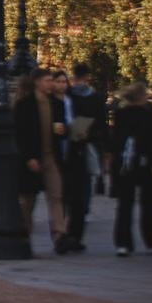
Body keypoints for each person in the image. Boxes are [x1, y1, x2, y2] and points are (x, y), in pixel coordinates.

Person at [15, 68, 68, 251]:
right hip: (32, 158)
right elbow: (20, 134)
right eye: (47, 80)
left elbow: (60, 130)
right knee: (28, 199)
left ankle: (59, 234)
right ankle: (25, 233)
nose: (51, 84)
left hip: (51, 157)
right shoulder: (24, 105)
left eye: (51, 80)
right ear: (37, 82)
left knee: (56, 195)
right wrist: (29, 157)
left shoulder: (57, 104)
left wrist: (64, 130)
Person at [109, 81, 152, 257]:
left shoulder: (121, 114)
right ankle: (151, 241)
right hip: (145, 161)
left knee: (125, 204)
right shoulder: (149, 114)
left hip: (125, 162)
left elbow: (116, 140)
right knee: (148, 203)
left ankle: (123, 243)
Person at [62, 64, 106, 252]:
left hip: (69, 145)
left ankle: (70, 223)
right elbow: (101, 123)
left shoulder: (68, 96)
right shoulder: (95, 97)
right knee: (84, 183)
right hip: (87, 143)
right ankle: (81, 215)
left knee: (71, 186)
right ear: (87, 76)